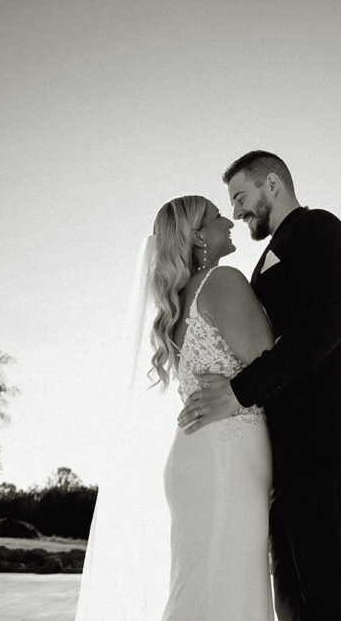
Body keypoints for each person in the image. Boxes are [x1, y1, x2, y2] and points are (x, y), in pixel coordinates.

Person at [178, 151, 341, 621]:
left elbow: (319, 331)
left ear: (272, 184)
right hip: (288, 453)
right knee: (295, 605)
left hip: (326, 443)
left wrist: (236, 392)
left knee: (334, 603)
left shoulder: (320, 230)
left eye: (241, 198)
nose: (235, 213)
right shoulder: (263, 263)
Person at [76, 195, 277, 621]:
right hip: (227, 458)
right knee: (227, 592)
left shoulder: (182, 299)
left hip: (197, 457)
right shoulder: (222, 281)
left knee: (204, 589)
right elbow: (275, 362)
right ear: (198, 236)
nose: (228, 221)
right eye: (216, 216)